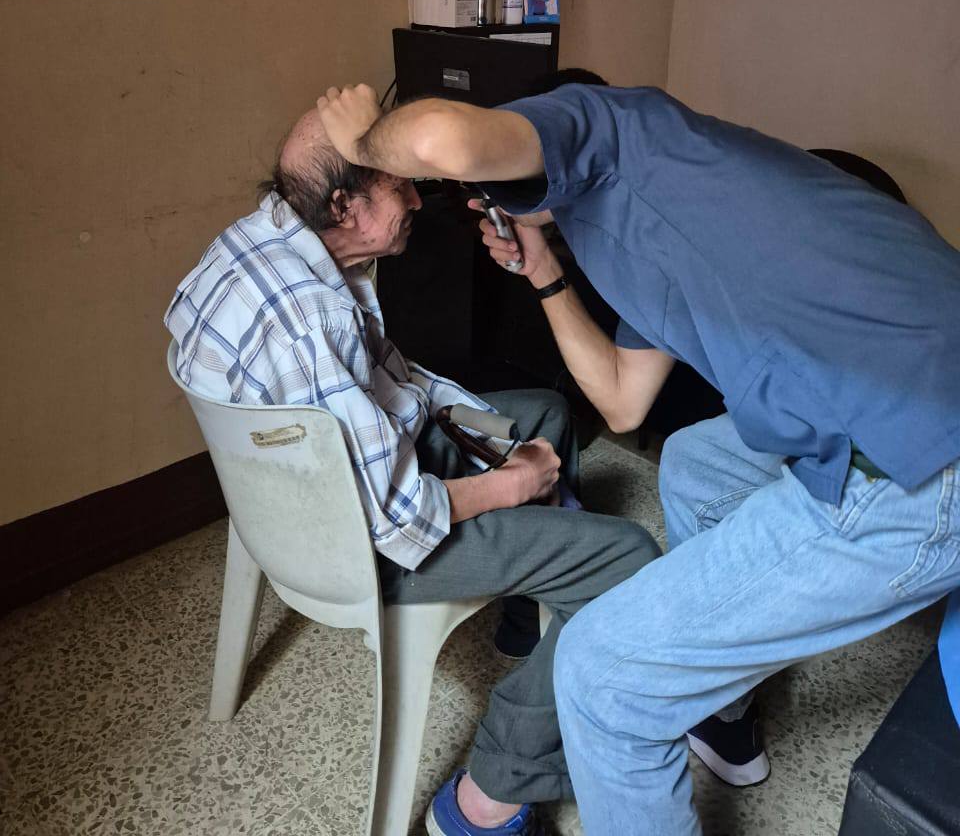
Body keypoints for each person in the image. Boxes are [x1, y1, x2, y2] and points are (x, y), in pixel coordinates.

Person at [317, 80, 960, 836]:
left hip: (921, 456)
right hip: (902, 398)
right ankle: (721, 715)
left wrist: (364, 140)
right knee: (694, 463)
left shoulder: (614, 125)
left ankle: (646, 694)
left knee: (602, 674)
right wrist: (543, 270)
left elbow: (442, 140)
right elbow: (622, 401)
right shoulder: (648, 224)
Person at [165, 104, 659, 836]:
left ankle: (526, 617)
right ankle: (489, 795)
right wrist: (509, 483)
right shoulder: (313, 318)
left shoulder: (257, 239)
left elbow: (392, 386)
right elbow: (396, 517)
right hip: (362, 544)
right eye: (400, 186)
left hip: (288, 492)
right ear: (345, 206)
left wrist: (490, 436)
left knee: (545, 416)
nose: (418, 202)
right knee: (629, 560)